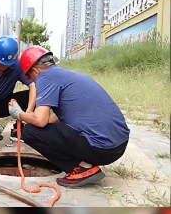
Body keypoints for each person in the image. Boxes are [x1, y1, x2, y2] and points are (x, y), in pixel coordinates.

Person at [8, 46, 130, 188]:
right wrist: (32, 117)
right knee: (39, 127)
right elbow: (59, 117)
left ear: (34, 70)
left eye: (29, 77)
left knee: (29, 132)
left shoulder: (45, 77)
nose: (32, 81)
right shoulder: (64, 75)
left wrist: (19, 113)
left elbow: (40, 121)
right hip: (118, 145)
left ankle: (82, 169)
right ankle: (85, 164)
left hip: (101, 148)